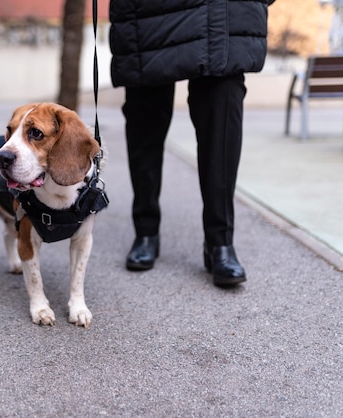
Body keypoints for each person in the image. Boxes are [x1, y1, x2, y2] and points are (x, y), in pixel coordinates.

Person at [109, 0, 275, 287]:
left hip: (223, 14)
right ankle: (146, 230)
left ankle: (220, 243)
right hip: (149, 15)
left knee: (221, 118)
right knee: (144, 123)